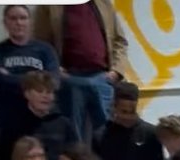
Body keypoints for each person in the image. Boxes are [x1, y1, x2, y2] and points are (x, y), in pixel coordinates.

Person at [33, 0, 133, 140]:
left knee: (109, 134)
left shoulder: (104, 3)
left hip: (102, 78)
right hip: (70, 79)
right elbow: (40, 43)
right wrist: (56, 69)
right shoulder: (49, 5)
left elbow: (120, 41)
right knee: (74, 135)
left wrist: (116, 71)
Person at [0, 5, 59, 156]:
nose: (18, 23)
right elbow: (0, 80)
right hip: (9, 118)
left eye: (23, 18)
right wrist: (35, 81)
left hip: (41, 119)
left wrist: (14, 78)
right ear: (5, 23)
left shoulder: (45, 50)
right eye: (13, 18)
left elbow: (53, 80)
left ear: (30, 21)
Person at [0, 70, 75, 160]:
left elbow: (76, 157)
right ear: (27, 94)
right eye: (40, 91)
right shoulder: (13, 123)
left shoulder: (63, 123)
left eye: (49, 92)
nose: (45, 96)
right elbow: (3, 159)